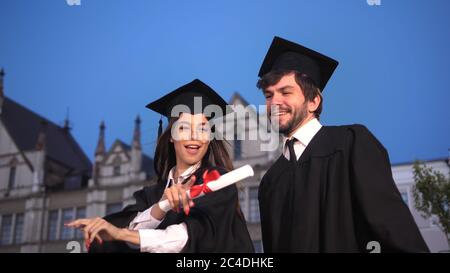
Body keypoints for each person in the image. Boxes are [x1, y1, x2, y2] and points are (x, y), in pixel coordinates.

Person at [256, 36, 429, 252]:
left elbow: (392, 228)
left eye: (286, 92)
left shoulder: (351, 144)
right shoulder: (271, 181)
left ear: (313, 101)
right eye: (269, 95)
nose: (275, 103)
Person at [66, 79, 254, 253]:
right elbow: (122, 239)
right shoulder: (150, 195)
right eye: (184, 127)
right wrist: (161, 207)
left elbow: (185, 238)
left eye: (203, 129)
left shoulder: (217, 182)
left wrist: (121, 234)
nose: (194, 136)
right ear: (171, 136)